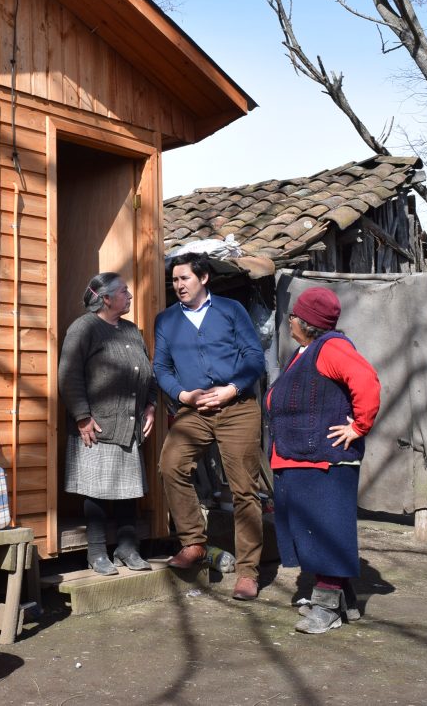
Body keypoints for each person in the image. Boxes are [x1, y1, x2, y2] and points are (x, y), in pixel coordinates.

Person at [265, 286, 380, 634]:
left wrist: (359, 426)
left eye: (292, 317)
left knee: (325, 531)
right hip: (299, 458)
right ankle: (344, 600)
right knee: (309, 532)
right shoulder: (306, 351)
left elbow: (367, 382)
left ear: (305, 322)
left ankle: (327, 607)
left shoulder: (332, 348)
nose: (289, 323)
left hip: (323, 461)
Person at [153, 253, 267, 600]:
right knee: (170, 465)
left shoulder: (231, 310)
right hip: (195, 409)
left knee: (243, 488)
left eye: (184, 278)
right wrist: (184, 395)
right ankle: (194, 543)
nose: (178, 285)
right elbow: (161, 367)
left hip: (237, 407)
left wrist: (232, 389)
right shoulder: (167, 320)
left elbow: (254, 357)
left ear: (203, 278)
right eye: (174, 280)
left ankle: (248, 571)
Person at [59, 272, 157, 575]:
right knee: (98, 491)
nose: (129, 296)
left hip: (130, 423)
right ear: (106, 298)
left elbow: (148, 373)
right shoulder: (84, 328)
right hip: (97, 425)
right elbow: (69, 375)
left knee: (129, 492)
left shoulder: (130, 330)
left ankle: (128, 549)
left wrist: (150, 406)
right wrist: (82, 416)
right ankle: (97, 552)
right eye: (124, 292)